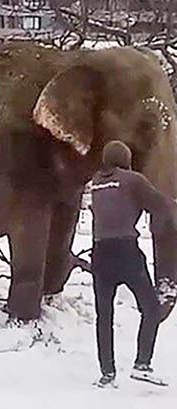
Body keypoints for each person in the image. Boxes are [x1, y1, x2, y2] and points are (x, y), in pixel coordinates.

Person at [89, 141, 176, 388]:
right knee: (150, 308)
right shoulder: (133, 180)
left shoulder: (96, 182)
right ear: (127, 159)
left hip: (100, 254)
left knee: (103, 316)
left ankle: (107, 373)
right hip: (126, 251)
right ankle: (142, 365)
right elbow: (162, 205)